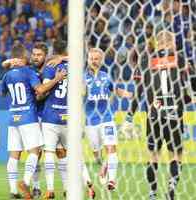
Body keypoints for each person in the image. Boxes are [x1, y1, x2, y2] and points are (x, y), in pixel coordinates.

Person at [126, 30, 195, 200]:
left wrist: (129, 116)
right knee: (176, 155)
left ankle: (152, 193)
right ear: (172, 43)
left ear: (157, 43)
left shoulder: (147, 61)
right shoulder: (180, 60)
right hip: (175, 115)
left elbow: (140, 91)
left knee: (153, 156)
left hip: (154, 116)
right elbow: (188, 89)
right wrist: (188, 99)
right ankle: (171, 188)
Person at [1, 43, 66, 199]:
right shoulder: (29, 71)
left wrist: (9, 65)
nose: (35, 57)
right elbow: (40, 90)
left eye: (38, 55)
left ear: (46, 56)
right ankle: (28, 183)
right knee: (35, 152)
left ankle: (15, 191)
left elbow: (3, 93)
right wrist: (56, 79)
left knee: (15, 154)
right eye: (33, 55)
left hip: (16, 116)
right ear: (26, 57)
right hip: (31, 115)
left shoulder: (9, 74)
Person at [41, 40, 95, 199]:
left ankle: (50, 190)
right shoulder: (76, 66)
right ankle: (88, 183)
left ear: (53, 50)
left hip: (51, 116)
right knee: (74, 154)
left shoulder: (50, 67)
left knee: (50, 152)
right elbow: (83, 90)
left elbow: (44, 90)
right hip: (69, 118)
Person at [84, 48, 132, 191]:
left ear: (101, 60)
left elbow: (114, 89)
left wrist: (127, 94)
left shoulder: (106, 76)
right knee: (97, 155)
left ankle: (112, 180)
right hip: (91, 121)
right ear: (88, 60)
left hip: (107, 118)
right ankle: (103, 166)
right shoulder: (82, 78)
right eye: (92, 58)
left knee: (111, 148)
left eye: (97, 58)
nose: (94, 61)